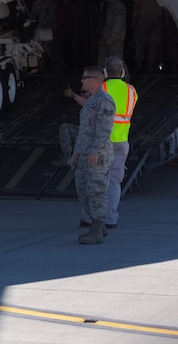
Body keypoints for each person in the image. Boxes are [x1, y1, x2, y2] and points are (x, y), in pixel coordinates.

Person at [55, 65, 116, 244]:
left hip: (96, 156)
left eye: (84, 77)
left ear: (94, 80)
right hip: (85, 154)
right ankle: (99, 226)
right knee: (83, 191)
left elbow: (104, 130)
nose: (81, 80)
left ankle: (96, 229)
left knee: (96, 191)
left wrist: (95, 151)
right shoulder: (91, 100)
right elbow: (84, 131)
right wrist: (76, 153)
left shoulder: (104, 101)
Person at [132, 0, 163, 72]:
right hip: (156, 19)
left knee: (140, 43)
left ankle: (139, 64)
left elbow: (136, 7)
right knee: (153, 43)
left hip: (143, 19)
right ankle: (150, 64)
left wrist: (133, 20)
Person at [98, 0, 126, 64]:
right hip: (106, 36)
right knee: (103, 59)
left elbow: (119, 22)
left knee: (116, 61)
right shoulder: (107, 6)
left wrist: (112, 36)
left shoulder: (118, 6)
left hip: (115, 39)